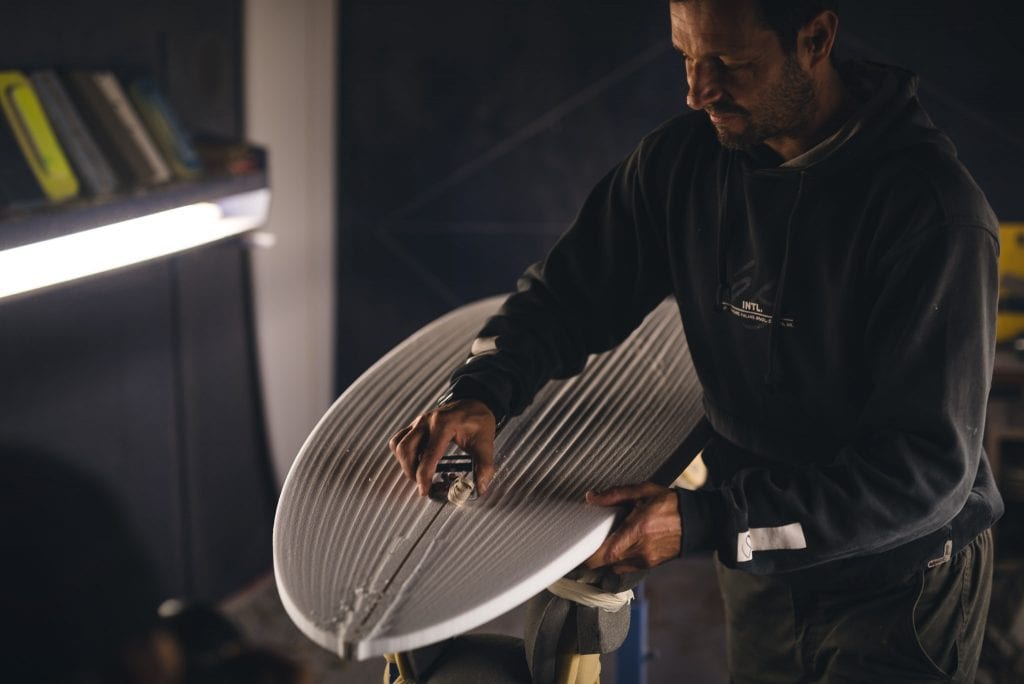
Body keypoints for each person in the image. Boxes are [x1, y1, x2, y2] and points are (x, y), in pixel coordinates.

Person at [388, 0, 1003, 680]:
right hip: (764, 567)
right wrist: (480, 390)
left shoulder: (930, 213)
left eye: (731, 64)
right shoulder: (685, 164)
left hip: (898, 581)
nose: (697, 90)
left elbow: (923, 474)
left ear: (815, 39)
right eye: (686, 57)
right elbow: (567, 297)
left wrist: (711, 521)